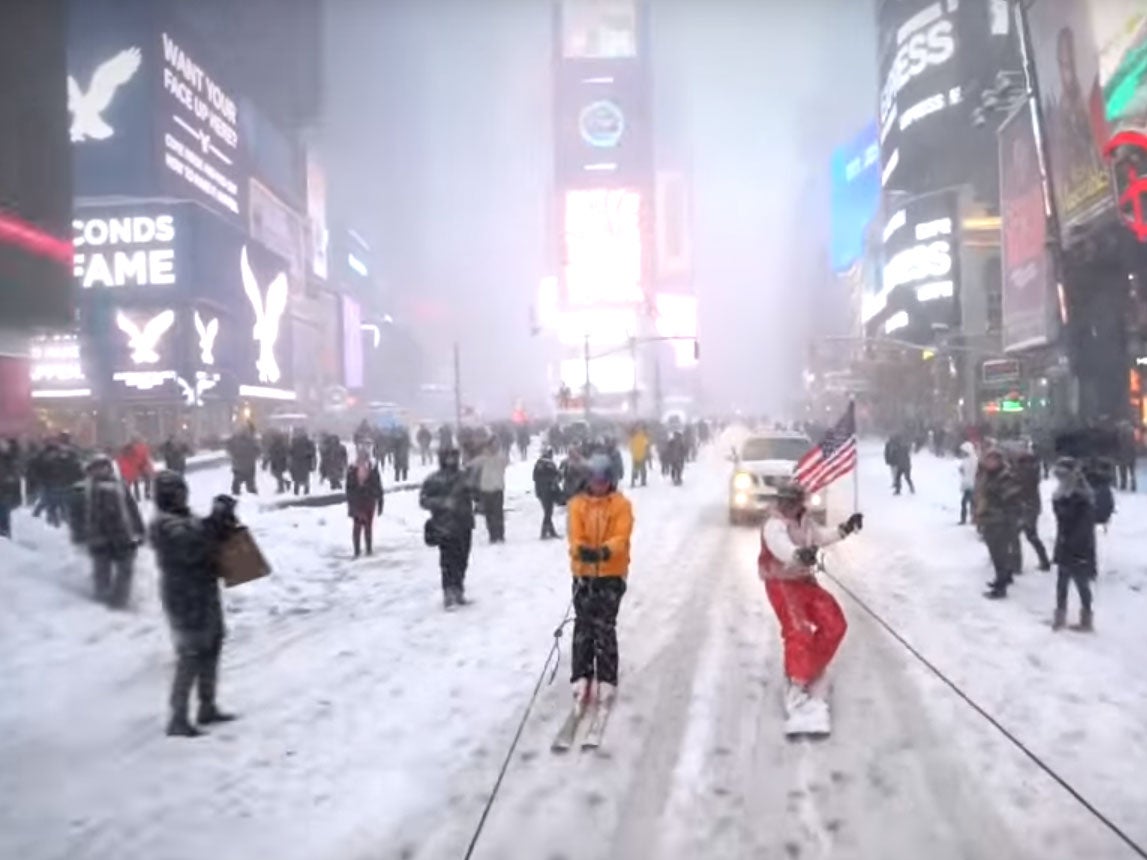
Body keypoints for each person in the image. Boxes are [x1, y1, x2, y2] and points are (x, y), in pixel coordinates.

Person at [758, 482, 863, 735]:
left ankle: (808, 668)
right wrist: (798, 555)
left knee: (835, 623)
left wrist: (845, 529)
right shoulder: (774, 524)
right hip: (781, 583)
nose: (789, 505)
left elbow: (821, 536)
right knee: (799, 630)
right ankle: (796, 685)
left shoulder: (805, 521)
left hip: (804, 582)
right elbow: (780, 547)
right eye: (785, 500)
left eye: (793, 501)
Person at [149, 471, 239, 737]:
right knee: (190, 654)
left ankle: (207, 706)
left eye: (182, 490)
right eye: (175, 492)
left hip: (203, 591)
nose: (181, 496)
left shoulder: (187, 518)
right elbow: (190, 547)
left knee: (212, 646)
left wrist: (223, 520)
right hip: (183, 595)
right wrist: (213, 521)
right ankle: (178, 717)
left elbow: (210, 541)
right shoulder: (164, 524)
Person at [566, 453, 634, 711]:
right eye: (594, 479)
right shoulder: (577, 505)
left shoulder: (620, 505)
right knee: (583, 625)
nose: (599, 484)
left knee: (604, 626)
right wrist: (582, 551)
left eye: (604, 479)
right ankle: (581, 675)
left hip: (611, 574)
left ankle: (607, 677)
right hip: (583, 574)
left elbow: (621, 535)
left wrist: (604, 552)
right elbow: (575, 535)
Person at [69, 454, 145, 608]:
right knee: (102, 571)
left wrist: (139, 530)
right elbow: (76, 515)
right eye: (97, 468)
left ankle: (120, 601)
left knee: (126, 569)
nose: (102, 471)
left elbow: (132, 508)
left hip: (123, 535)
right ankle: (102, 604)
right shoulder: (82, 489)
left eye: (105, 467)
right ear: (90, 470)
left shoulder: (120, 485)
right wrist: (79, 535)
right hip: (98, 537)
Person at [420, 446, 476, 609]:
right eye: (449, 457)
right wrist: (443, 503)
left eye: (454, 457)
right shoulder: (434, 479)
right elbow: (424, 500)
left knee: (462, 559)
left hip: (464, 523)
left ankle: (459, 590)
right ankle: (448, 593)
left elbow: (476, 494)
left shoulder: (464, 477)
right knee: (447, 561)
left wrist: (474, 488)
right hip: (444, 526)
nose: (452, 460)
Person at [1050, 457, 1096, 632]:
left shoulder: (1082, 497)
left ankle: (1086, 619)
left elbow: (1082, 526)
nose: (1059, 479)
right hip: (1065, 543)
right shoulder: (1062, 494)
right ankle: (1060, 616)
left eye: (1062, 475)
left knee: (1081, 583)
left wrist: (1075, 547)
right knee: (1062, 582)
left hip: (1079, 547)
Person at [978, 449, 1022, 599]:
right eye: (987, 460)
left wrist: (1010, 521)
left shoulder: (1005, 476)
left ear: (999, 461)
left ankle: (1001, 587)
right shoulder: (990, 475)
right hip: (990, 519)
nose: (988, 463)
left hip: (1000, 521)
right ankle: (1003, 578)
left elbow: (1011, 499)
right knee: (996, 552)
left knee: (999, 554)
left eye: (992, 460)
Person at [346, 444, 384, 557]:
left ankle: (368, 549)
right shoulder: (352, 469)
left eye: (364, 457)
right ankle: (357, 550)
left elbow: (378, 485)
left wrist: (380, 501)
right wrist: (351, 504)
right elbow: (349, 488)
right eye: (361, 457)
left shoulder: (372, 468)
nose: (362, 459)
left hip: (369, 500)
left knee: (368, 526)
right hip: (357, 502)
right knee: (357, 526)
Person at [1015, 450, 1051, 571]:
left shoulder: (1023, 473)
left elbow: (1019, 489)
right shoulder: (1033, 471)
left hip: (1025, 507)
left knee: (1016, 536)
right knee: (1031, 535)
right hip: (1032, 506)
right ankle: (1044, 560)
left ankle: (1016, 565)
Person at [474, 439, 509, 543]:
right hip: (486, 489)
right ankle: (492, 535)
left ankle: (500, 534)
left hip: (498, 488)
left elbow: (506, 461)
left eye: (496, 445)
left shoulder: (500, 458)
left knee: (498, 513)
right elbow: (470, 466)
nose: (495, 447)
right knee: (489, 514)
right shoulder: (481, 459)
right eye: (493, 445)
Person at [532, 447, 562, 540]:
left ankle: (550, 531)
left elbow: (535, 477)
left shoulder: (539, 463)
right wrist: (553, 480)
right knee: (548, 512)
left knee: (548, 511)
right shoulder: (548, 464)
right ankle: (544, 532)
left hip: (541, 491)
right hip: (548, 490)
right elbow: (557, 476)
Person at [228, 426, 260, 496]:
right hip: (248, 465)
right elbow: (257, 450)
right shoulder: (250, 440)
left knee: (237, 484)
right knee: (249, 484)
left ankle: (236, 496)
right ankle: (254, 497)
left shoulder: (235, 440)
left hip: (239, 465)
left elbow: (229, 449)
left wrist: (234, 455)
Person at [0, 438, 22, 538]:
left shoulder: (10, 460)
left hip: (5, 493)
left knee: (4, 515)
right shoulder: (10, 461)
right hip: (5, 492)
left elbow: (15, 479)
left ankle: (5, 536)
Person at [289, 428, 316, 496]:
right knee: (298, 478)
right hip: (299, 462)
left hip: (303, 462)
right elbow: (290, 452)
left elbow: (312, 453)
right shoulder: (295, 441)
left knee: (302, 478)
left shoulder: (307, 442)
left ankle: (302, 492)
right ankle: (300, 491)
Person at [958, 440, 978, 525]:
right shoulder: (966, 459)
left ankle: (971, 519)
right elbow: (963, 470)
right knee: (969, 502)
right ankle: (971, 518)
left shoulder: (974, 459)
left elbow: (974, 471)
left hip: (972, 484)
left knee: (968, 502)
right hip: (968, 484)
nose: (962, 453)